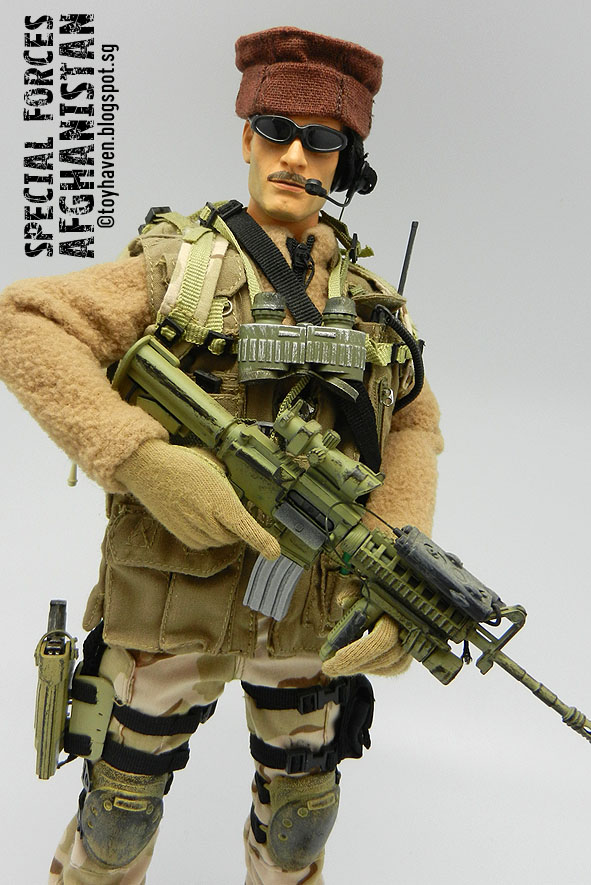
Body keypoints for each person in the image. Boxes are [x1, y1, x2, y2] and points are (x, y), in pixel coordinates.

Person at [0, 26, 443, 885]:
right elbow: (25, 322)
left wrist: (396, 561)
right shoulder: (184, 268)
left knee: (300, 824)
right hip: (169, 594)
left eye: (321, 141)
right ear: (246, 137)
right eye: (275, 130)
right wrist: (137, 457)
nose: (294, 156)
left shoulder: (372, 303)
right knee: (117, 818)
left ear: (346, 162)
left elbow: (414, 420)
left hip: (307, 603)